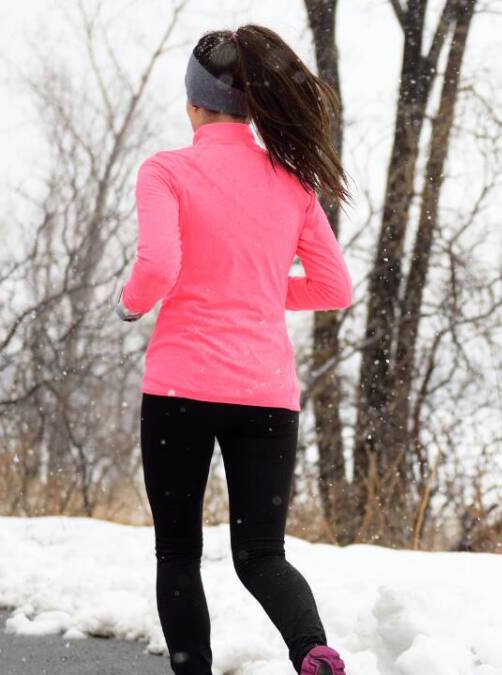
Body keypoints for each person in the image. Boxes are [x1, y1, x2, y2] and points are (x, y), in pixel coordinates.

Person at [113, 24, 352, 675]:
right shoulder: (293, 182)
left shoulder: (167, 170)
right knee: (262, 554)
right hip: (266, 397)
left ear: (194, 103)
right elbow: (334, 286)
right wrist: (256, 288)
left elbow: (158, 268)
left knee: (178, 553)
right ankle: (312, 648)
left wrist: (130, 302)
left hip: (180, 391)